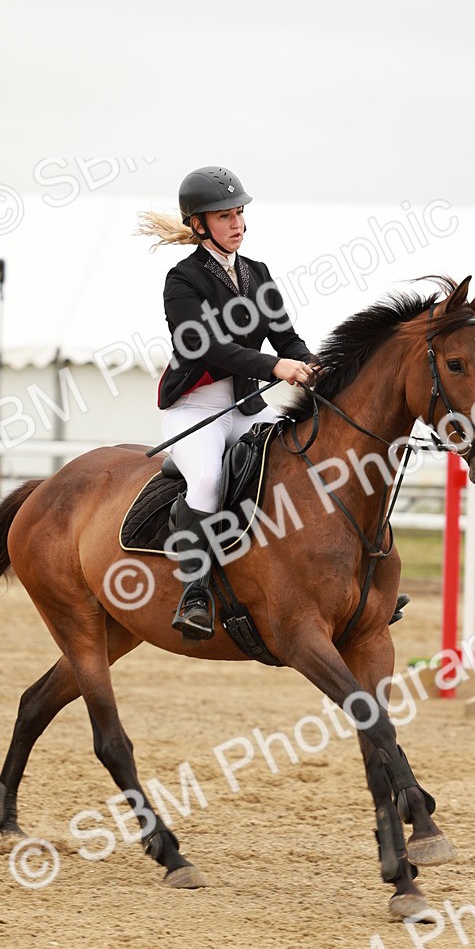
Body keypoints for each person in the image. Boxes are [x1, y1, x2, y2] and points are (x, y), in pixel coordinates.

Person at [135, 166, 318, 641]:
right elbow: (204, 347)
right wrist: (274, 367)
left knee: (303, 456)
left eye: (239, 214)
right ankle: (194, 590)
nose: (236, 223)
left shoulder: (258, 274)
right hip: (195, 408)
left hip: (246, 406)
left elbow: (287, 338)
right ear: (199, 224)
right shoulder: (183, 279)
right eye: (224, 216)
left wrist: (319, 367)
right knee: (211, 476)